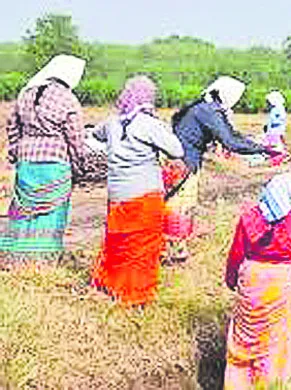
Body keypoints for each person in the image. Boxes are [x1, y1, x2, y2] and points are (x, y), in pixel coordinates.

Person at [91, 76, 184, 307]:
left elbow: (96, 135)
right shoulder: (148, 124)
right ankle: (135, 296)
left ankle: (110, 285)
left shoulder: (112, 122)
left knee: (117, 242)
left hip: (117, 195)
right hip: (144, 195)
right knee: (142, 246)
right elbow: (176, 149)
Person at [224, 173, 291, 389]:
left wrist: (231, 280)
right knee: (277, 344)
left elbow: (236, 254)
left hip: (251, 281)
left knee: (244, 341)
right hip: (283, 285)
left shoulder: (249, 218)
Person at [162, 76, 273, 263]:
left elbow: (231, 135)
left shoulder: (205, 107)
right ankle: (172, 251)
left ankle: (172, 248)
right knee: (179, 206)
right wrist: (261, 148)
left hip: (180, 160)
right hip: (183, 162)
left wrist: (256, 146)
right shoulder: (210, 111)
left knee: (177, 203)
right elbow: (230, 141)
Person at [0, 55, 87, 267]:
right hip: (55, 162)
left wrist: (16, 150)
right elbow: (75, 139)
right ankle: (44, 261)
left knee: (24, 211)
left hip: (27, 161)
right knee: (52, 212)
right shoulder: (68, 99)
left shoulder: (26, 94)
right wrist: (79, 167)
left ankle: (15, 258)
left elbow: (12, 124)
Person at [262, 90, 287, 165]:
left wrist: (273, 123)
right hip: (272, 131)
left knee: (276, 145)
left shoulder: (279, 108)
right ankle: (273, 158)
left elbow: (281, 119)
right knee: (271, 144)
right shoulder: (274, 109)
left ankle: (276, 159)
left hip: (276, 130)